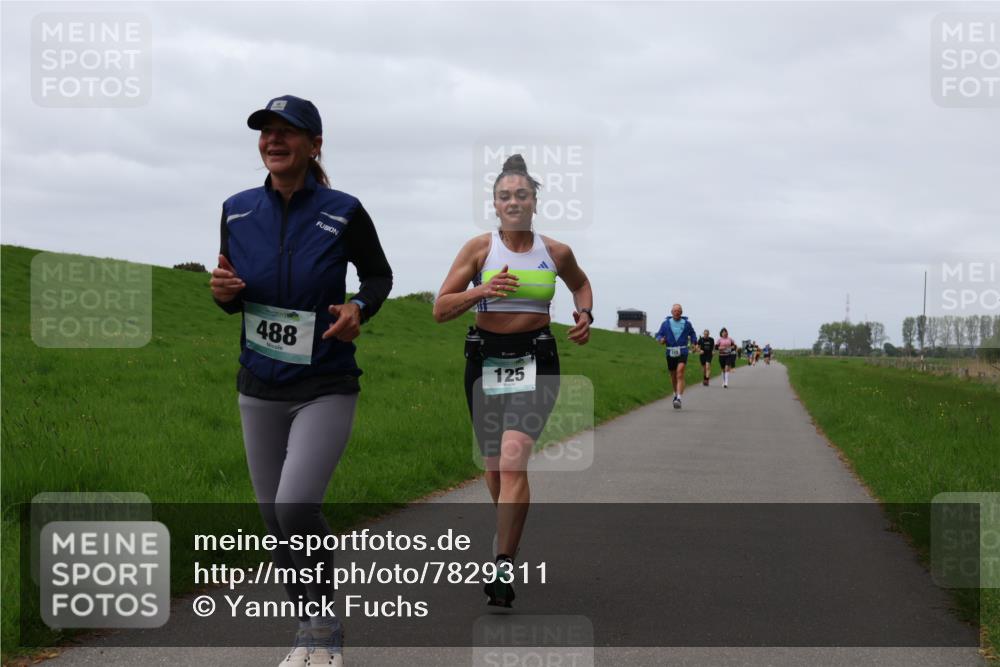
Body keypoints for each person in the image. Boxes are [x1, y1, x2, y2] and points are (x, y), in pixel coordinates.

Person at [209, 95, 393, 667]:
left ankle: (323, 637)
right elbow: (230, 288)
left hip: (325, 382)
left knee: (294, 507)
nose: (274, 140)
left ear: (315, 145)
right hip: (258, 382)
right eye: (266, 131)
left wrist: (360, 306)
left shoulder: (344, 209)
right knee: (272, 519)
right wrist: (222, 295)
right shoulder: (236, 209)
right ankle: (310, 623)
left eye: (289, 132)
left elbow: (379, 275)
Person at [433, 154, 592, 607]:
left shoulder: (555, 252)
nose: (514, 201)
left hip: (536, 359)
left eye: (522, 194)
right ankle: (508, 536)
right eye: (505, 196)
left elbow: (581, 284)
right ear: (495, 204)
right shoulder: (478, 250)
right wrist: (482, 290)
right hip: (484, 362)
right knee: (493, 468)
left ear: (535, 202)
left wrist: (585, 314)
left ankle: (502, 562)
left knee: (511, 460)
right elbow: (440, 309)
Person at [654, 304, 698, 409]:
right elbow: (658, 334)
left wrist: (693, 342)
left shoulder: (687, 324)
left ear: (681, 312)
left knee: (679, 373)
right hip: (670, 352)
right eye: (675, 310)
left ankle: (678, 398)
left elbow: (692, 334)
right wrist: (661, 340)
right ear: (671, 312)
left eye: (678, 310)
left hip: (682, 350)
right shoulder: (666, 324)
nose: (677, 312)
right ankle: (675, 393)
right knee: (673, 376)